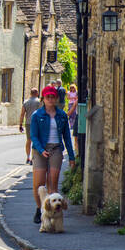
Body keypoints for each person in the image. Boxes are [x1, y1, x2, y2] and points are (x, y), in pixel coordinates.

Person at [29, 85, 77, 224]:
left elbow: (67, 137)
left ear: (56, 99)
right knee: (39, 185)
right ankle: (40, 209)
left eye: (53, 97)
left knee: (52, 184)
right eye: (48, 97)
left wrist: (72, 157)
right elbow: (33, 136)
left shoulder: (62, 115)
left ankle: (53, 215)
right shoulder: (37, 115)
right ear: (43, 99)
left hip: (56, 149)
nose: (50, 99)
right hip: (40, 150)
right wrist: (40, 149)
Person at [19, 87, 43, 165]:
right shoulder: (39, 102)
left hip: (28, 123)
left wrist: (20, 124)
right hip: (37, 123)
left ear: (30, 93)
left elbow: (22, 114)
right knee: (36, 141)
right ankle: (33, 158)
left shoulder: (26, 102)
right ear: (37, 93)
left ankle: (28, 157)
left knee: (28, 140)